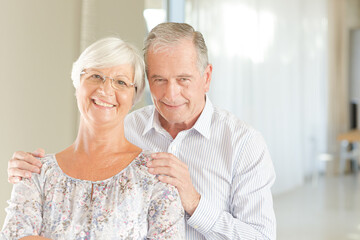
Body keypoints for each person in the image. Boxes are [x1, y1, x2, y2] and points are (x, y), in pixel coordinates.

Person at [7, 22, 276, 239]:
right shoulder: (122, 123)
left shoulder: (243, 143)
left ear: (206, 78)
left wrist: (194, 203)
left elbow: (261, 237)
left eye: (183, 79)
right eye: (159, 80)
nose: (171, 94)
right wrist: (27, 170)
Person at [1, 37, 185, 239]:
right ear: (77, 83)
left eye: (121, 82)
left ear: (135, 96)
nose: (105, 90)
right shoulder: (36, 172)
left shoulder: (156, 174)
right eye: (96, 76)